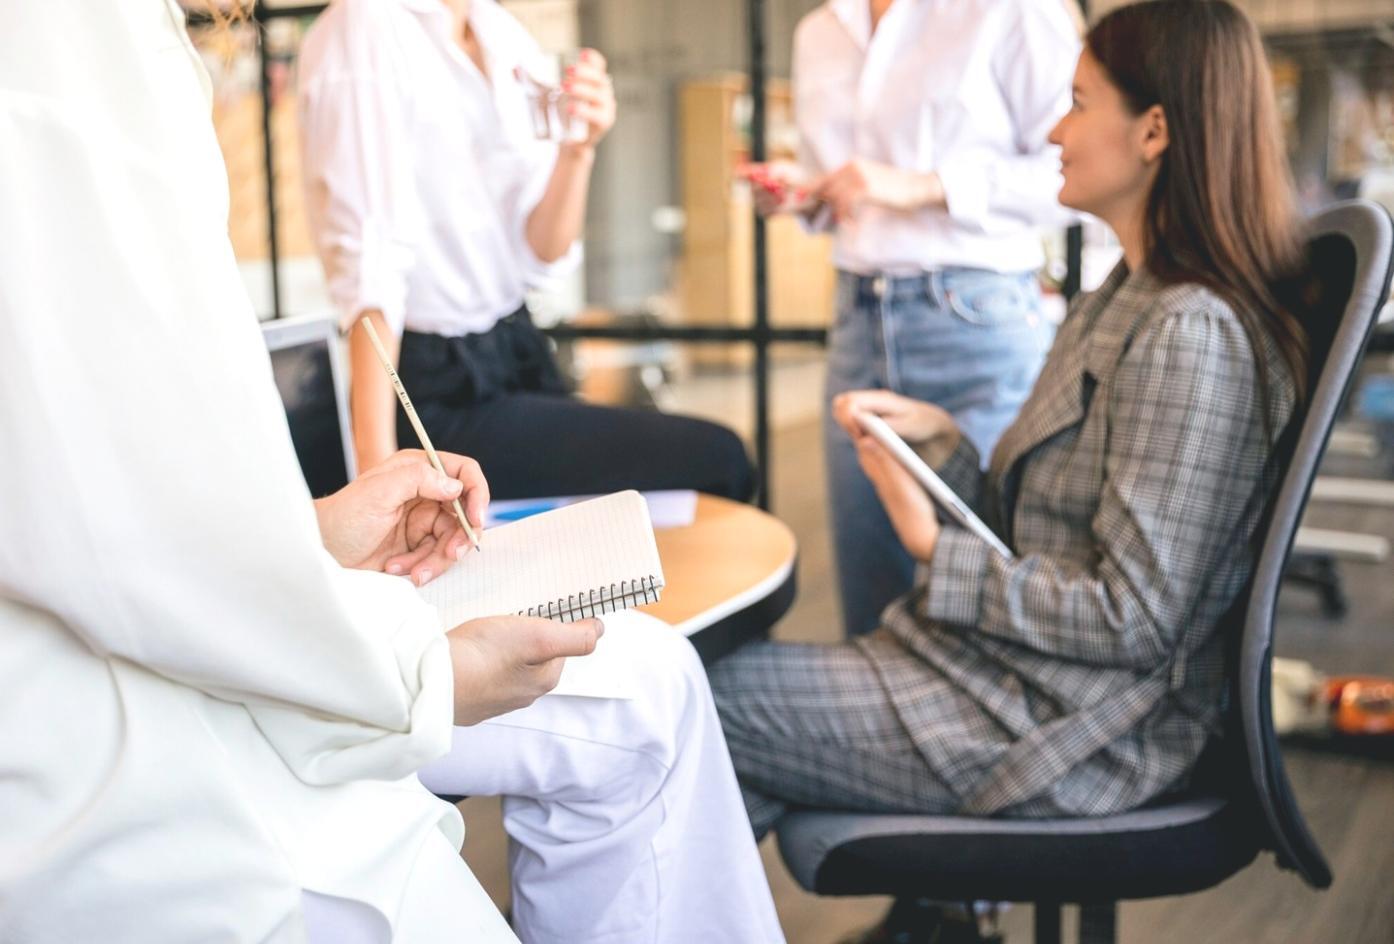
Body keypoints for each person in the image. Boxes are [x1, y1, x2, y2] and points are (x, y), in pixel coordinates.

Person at [0, 3, 785, 942]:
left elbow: (94, 486)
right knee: (639, 666)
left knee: (651, 669)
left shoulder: (489, 37)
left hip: (498, 349)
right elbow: (123, 525)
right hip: (125, 735)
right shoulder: (82, 46)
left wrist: (320, 532)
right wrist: (420, 671)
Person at [711, 0, 1309, 927]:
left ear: (1154, 131)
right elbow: (1051, 522)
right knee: (691, 731)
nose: (1053, 132)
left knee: (701, 709)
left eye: (1075, 104)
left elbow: (1134, 617)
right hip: (1023, 682)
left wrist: (930, 543)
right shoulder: (1123, 296)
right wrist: (942, 442)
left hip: (1078, 730)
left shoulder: (1189, 331)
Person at [297, 0, 754, 501]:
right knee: (719, 460)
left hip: (516, 350)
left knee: (617, 530)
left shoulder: (501, 33)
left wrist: (579, 149)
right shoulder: (366, 24)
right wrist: (376, 474)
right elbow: (370, 269)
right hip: (426, 389)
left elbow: (539, 252)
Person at [742, 0, 1080, 636]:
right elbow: (852, 188)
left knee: (990, 569)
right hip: (857, 311)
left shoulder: (1013, 11)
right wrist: (806, 192)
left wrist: (926, 185)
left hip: (974, 315)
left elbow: (1074, 171)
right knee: (872, 597)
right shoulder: (819, 31)